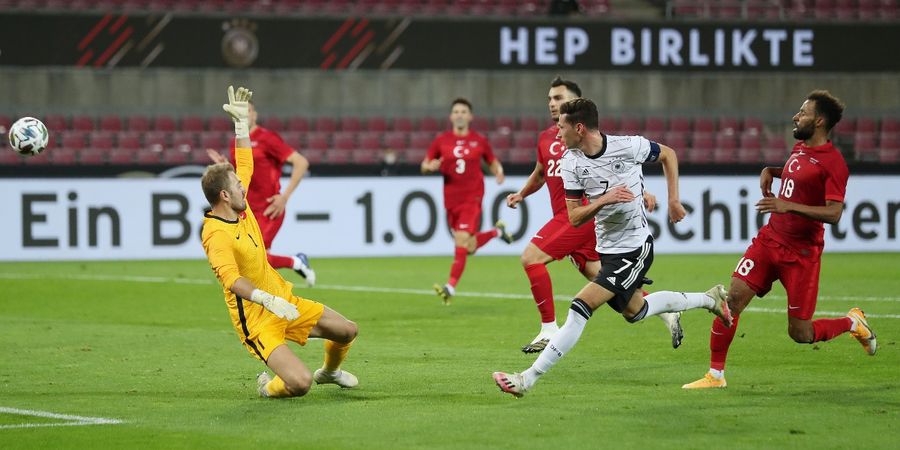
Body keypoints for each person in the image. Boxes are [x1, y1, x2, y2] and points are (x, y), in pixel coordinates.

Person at [492, 98, 732, 397]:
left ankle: (526, 379)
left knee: (580, 306)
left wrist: (673, 200)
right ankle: (709, 300)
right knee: (636, 311)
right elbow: (575, 217)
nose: (558, 133)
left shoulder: (628, 146)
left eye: (562, 127)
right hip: (607, 249)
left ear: (579, 128)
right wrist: (604, 200)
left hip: (635, 247)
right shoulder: (570, 162)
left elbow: (668, 155)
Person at [682, 90, 877, 389]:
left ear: (820, 121)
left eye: (803, 112)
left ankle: (853, 323)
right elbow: (796, 178)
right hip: (769, 240)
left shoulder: (835, 163)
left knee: (800, 333)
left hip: (801, 254)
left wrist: (789, 206)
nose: (796, 117)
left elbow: (835, 213)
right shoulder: (800, 147)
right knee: (730, 302)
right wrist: (770, 171)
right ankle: (715, 376)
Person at [201, 86, 358, 398]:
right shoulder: (214, 233)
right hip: (259, 320)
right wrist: (265, 299)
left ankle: (329, 372)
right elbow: (231, 279)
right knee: (299, 384)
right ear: (224, 196)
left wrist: (240, 126)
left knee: (347, 330)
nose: (245, 188)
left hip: (284, 300)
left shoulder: (238, 209)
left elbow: (244, 163)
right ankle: (267, 389)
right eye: (238, 187)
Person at [507, 76, 683, 353]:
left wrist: (641, 193)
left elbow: (614, 170)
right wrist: (522, 194)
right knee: (603, 282)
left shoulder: (587, 140)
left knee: (530, 257)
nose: (553, 104)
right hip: (572, 218)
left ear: (575, 107)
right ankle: (666, 310)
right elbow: (541, 173)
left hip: (580, 217)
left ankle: (549, 329)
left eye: (559, 98)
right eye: (550, 99)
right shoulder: (545, 139)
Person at [206, 101, 316, 286]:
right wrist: (225, 166)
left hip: (269, 209)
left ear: (255, 115)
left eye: (247, 110)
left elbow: (301, 162)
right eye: (241, 111)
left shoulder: (267, 138)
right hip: (247, 210)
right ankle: (295, 264)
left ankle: (296, 263)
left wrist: (285, 197)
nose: (245, 114)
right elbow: (243, 174)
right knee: (253, 260)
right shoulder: (238, 143)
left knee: (256, 257)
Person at [421, 98, 513, 304]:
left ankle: (450, 286)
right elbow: (424, 165)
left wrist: (499, 171)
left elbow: (492, 160)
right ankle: (497, 232)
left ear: (470, 116)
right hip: (451, 200)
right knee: (468, 247)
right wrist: (430, 167)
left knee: (461, 240)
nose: (460, 114)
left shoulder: (479, 140)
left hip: (472, 198)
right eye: (456, 111)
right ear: (451, 116)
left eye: (464, 111)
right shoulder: (441, 141)